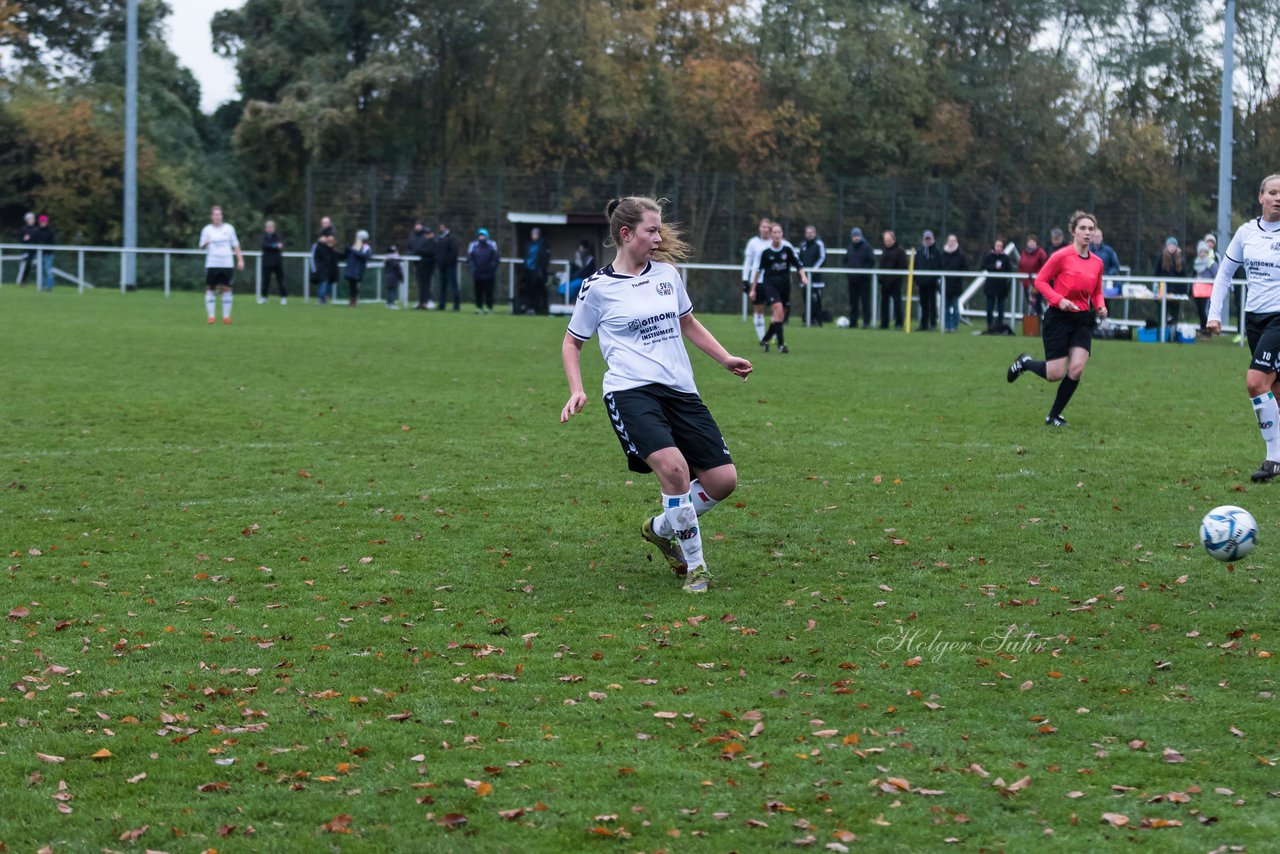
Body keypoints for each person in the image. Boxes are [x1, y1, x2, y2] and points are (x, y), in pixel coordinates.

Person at [560, 196, 753, 594]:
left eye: (659, 228)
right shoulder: (597, 288)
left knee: (722, 481)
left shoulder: (667, 274)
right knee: (675, 469)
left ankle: (661, 528)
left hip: (680, 390)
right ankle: (696, 568)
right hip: (630, 392)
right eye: (651, 229)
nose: (659, 236)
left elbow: (688, 323)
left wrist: (725, 358)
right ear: (626, 234)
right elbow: (572, 343)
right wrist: (576, 389)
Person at [1207, 174, 1280, 481]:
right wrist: (1214, 314)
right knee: (1275, 391)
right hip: (1254, 319)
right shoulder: (1247, 232)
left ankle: (1272, 459)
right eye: (1273, 192)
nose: (1278, 198)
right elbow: (1225, 274)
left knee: (1255, 382)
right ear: (1260, 197)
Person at [1006, 211, 1108, 427]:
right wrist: (1059, 300)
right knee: (1055, 374)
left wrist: (1101, 306)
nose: (1087, 232)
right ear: (1073, 232)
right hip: (1058, 318)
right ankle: (1025, 363)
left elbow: (1097, 291)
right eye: (1083, 228)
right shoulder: (1061, 256)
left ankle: (1053, 416)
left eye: (1091, 229)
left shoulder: (1097, 262)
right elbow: (1041, 281)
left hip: (1082, 319)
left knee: (1077, 369)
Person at [750, 223, 809, 352]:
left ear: (782, 234)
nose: (777, 235)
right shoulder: (766, 253)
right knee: (778, 310)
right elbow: (758, 271)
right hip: (770, 285)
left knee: (780, 315)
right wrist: (753, 289)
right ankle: (781, 345)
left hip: (785, 286)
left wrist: (803, 277)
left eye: (779, 232)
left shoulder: (787, 250)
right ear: (771, 235)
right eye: (774, 233)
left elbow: (798, 265)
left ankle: (765, 339)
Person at [198, 206, 244, 323]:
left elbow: (236, 245)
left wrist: (240, 260)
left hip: (227, 263)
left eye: (219, 214)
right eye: (215, 214)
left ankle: (226, 317)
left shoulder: (229, 229)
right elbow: (201, 247)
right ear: (212, 216)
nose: (217, 216)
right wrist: (206, 243)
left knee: (227, 289)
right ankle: (211, 316)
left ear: (222, 216)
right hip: (212, 263)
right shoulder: (207, 230)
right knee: (210, 289)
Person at [742, 218, 773, 341]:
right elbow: (748, 262)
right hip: (757, 281)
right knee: (759, 309)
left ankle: (773, 335)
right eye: (763, 227)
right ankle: (763, 339)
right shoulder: (753, 243)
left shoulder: (775, 242)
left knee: (776, 309)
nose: (765, 229)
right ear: (759, 228)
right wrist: (745, 279)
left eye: (767, 227)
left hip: (772, 280)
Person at [845, 227, 876, 329]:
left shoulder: (867, 247)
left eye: (857, 236)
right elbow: (845, 260)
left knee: (865, 301)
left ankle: (866, 322)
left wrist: (863, 271)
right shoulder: (850, 247)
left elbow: (871, 261)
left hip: (864, 280)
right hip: (852, 280)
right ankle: (853, 322)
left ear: (861, 236)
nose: (856, 238)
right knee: (853, 302)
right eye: (854, 236)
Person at [981, 238, 1014, 331]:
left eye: (1001, 246)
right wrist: (994, 267)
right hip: (990, 286)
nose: (999, 248)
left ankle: (999, 326)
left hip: (1002, 287)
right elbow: (983, 266)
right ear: (994, 246)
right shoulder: (988, 256)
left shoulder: (1006, 258)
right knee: (989, 308)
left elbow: (1010, 270)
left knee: (1001, 309)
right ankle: (990, 326)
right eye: (997, 246)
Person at [797, 224, 826, 326]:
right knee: (806, 299)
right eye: (807, 233)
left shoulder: (819, 244)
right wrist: (801, 271)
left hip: (816, 279)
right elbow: (798, 259)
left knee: (816, 300)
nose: (809, 235)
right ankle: (808, 319)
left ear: (815, 233)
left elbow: (822, 258)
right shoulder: (802, 245)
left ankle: (817, 320)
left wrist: (813, 270)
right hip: (805, 278)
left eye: (811, 233)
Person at [878, 230, 908, 329]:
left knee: (897, 303)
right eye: (886, 240)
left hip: (896, 282)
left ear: (893, 239)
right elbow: (881, 265)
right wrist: (881, 278)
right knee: (884, 303)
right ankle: (884, 323)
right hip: (885, 282)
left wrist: (895, 278)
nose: (887, 242)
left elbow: (903, 266)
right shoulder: (884, 250)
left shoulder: (900, 251)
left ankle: (899, 323)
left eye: (889, 240)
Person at [939, 234, 968, 332]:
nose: (951, 243)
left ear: (956, 242)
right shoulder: (942, 254)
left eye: (953, 241)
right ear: (947, 242)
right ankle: (947, 326)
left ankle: (954, 327)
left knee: (955, 308)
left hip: (956, 286)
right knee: (946, 308)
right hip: (945, 286)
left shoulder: (960, 254)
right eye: (950, 241)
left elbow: (965, 269)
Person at [467, 227, 499, 313]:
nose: (481, 237)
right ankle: (479, 307)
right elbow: (470, 258)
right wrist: (473, 268)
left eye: (483, 235)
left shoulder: (492, 244)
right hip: (478, 273)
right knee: (478, 292)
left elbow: (496, 258)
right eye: (480, 235)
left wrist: (492, 267)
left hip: (489, 273)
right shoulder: (473, 245)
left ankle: (489, 307)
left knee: (489, 291)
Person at [915, 230, 942, 331]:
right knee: (923, 304)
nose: (927, 240)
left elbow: (939, 267)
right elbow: (915, 266)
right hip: (921, 283)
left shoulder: (937, 252)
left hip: (932, 283)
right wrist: (916, 280)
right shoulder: (920, 251)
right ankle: (923, 324)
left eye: (929, 238)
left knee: (932, 304)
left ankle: (933, 324)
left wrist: (935, 279)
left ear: (933, 239)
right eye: (926, 238)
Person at [520, 227, 550, 315]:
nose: (533, 236)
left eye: (535, 234)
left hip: (537, 272)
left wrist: (542, 269)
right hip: (528, 270)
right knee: (526, 289)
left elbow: (545, 258)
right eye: (532, 234)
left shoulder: (542, 244)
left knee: (535, 290)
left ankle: (535, 308)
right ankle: (527, 307)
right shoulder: (529, 245)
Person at [407, 221, 436, 310]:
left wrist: (419, 252)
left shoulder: (433, 242)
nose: (427, 235)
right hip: (420, 265)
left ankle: (427, 301)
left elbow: (427, 251)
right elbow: (417, 249)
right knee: (421, 284)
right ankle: (421, 302)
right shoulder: (421, 240)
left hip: (429, 265)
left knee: (427, 284)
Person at [1192, 238, 1218, 332]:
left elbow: (1217, 276)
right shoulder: (1196, 262)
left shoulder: (1211, 263)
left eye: (1204, 251)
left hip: (1207, 291)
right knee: (1199, 311)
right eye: (1201, 251)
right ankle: (1202, 329)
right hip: (1197, 290)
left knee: (1204, 311)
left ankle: (1207, 331)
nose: (1202, 253)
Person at [1018, 235, 1048, 317]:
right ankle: (1031, 325)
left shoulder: (1041, 252)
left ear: (1036, 243)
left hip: (1037, 283)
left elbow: (1045, 265)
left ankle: (1040, 322)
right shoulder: (1023, 253)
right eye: (1030, 242)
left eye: (1033, 242)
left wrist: (1038, 276)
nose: (1031, 244)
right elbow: (1020, 266)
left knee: (1037, 303)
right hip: (1026, 283)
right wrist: (1022, 278)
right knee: (1030, 303)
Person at [435, 223, 461, 311]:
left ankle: (456, 306)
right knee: (443, 286)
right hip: (442, 266)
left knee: (453, 286)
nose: (440, 228)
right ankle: (442, 305)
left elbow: (454, 252)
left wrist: (448, 262)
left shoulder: (451, 238)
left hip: (450, 266)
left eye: (442, 227)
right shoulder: (440, 238)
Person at [259, 220, 286, 304]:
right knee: (266, 280)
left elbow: (281, 245)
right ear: (266, 228)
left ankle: (283, 297)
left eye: (271, 227)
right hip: (267, 262)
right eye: (268, 227)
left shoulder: (278, 236)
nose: (270, 229)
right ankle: (264, 297)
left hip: (277, 262)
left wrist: (273, 246)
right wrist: (274, 246)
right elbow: (264, 245)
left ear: (274, 228)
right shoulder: (263, 237)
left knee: (280, 280)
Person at [311, 228, 340, 305]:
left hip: (329, 270)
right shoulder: (319, 246)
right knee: (323, 283)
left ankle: (323, 299)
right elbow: (315, 257)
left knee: (325, 284)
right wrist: (316, 269)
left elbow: (336, 255)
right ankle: (321, 299)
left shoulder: (331, 247)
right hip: (322, 269)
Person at [344, 230, 373, 306]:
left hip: (358, 270)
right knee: (352, 286)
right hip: (352, 269)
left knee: (354, 286)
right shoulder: (356, 245)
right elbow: (349, 256)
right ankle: (351, 301)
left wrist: (354, 252)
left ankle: (354, 301)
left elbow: (366, 256)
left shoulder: (366, 247)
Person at [32, 214, 56, 291]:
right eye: (41, 222)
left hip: (48, 254)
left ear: (47, 222)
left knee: (48, 270)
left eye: (44, 222)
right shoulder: (37, 231)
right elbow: (34, 242)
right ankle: (42, 286)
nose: (43, 223)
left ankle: (49, 287)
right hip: (39, 254)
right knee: (40, 271)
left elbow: (52, 243)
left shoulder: (50, 232)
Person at [16, 212, 37, 285]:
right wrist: (24, 239)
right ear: (27, 220)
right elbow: (20, 240)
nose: (32, 220)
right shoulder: (23, 229)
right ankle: (23, 281)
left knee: (33, 265)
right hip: (26, 251)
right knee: (27, 265)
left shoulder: (36, 229)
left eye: (33, 218)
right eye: (30, 218)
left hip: (35, 252)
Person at [383, 245, 404, 309]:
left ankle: (388, 303)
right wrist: (401, 277)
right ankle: (391, 303)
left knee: (389, 290)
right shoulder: (395, 261)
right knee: (392, 291)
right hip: (393, 277)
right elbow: (398, 270)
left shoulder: (387, 260)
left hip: (387, 276)